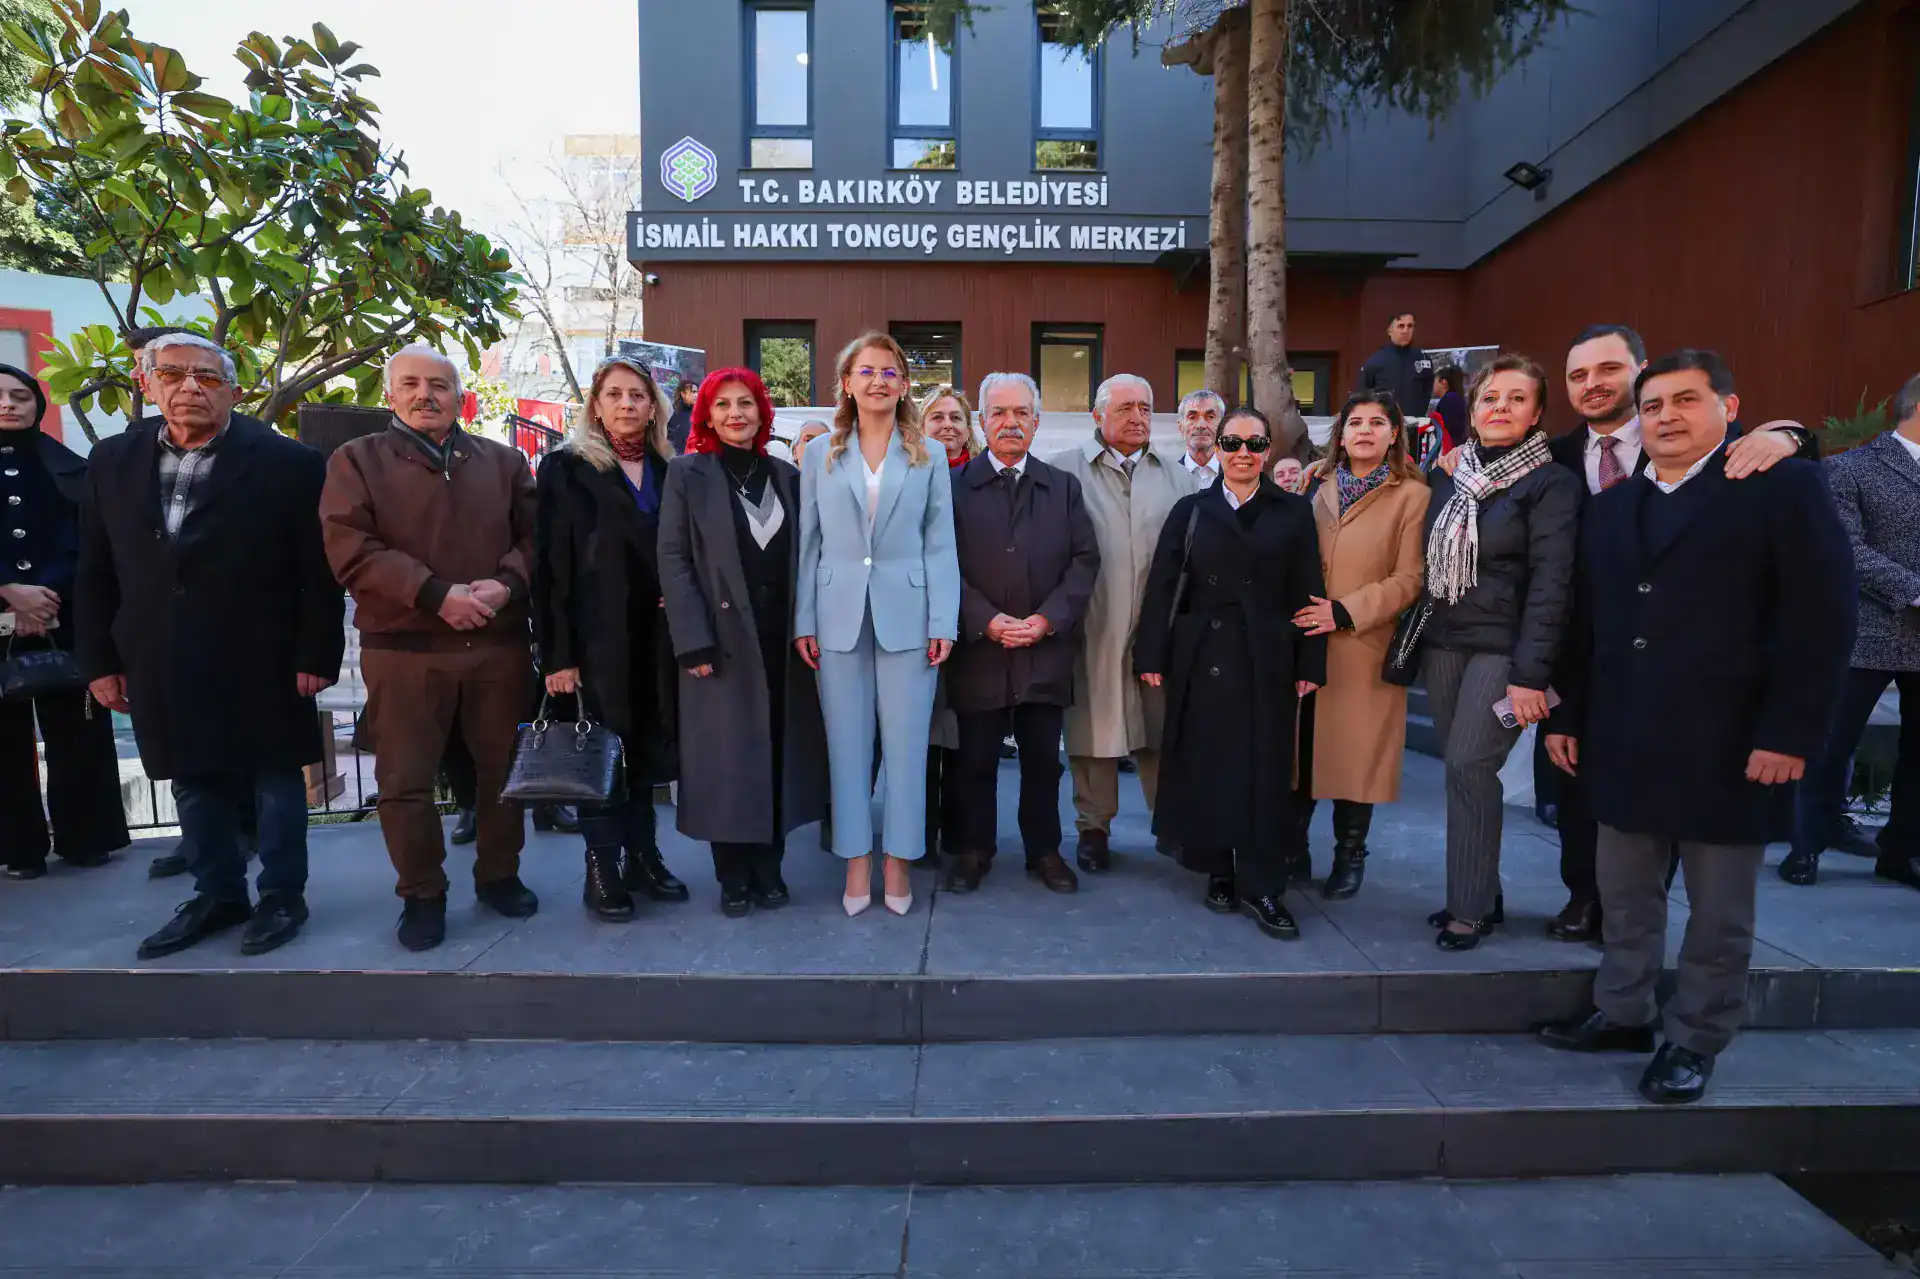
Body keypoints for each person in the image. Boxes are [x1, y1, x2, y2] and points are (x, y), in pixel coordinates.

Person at [1538, 350, 1854, 1105]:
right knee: (1625, 891)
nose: (1667, 417)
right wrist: (1571, 715)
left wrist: (1790, 734)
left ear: (1729, 406)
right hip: (1622, 735)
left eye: (1686, 400)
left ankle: (1696, 1036)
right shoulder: (1612, 506)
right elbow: (1589, 624)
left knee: (1717, 911)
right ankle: (1622, 1010)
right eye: (1653, 405)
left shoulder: (1782, 487)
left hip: (1733, 742)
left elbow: (1822, 620)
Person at [1543, 324, 1814, 941]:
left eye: (1608, 370)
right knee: (1599, 835)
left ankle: (1688, 1022)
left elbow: (1817, 616)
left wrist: (1793, 435)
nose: (1593, 384)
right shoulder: (1558, 459)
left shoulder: (1752, 469)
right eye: (1578, 375)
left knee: (1712, 904)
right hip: (1609, 696)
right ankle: (1591, 914)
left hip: (1718, 714)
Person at [77, 334, 343, 958]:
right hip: (158, 648)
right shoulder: (112, 460)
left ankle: (281, 896)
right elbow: (95, 567)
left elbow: (318, 569)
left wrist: (316, 652)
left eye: (208, 377)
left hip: (263, 649)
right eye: (172, 374)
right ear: (148, 384)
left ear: (233, 390)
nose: (190, 387)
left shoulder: (290, 463)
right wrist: (98, 659)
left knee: (275, 779)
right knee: (192, 779)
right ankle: (217, 894)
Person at [320, 344, 540, 952]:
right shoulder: (355, 461)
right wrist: (433, 594)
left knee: (503, 772)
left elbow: (536, 538)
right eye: (411, 384)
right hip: (405, 647)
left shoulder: (503, 463)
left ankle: (500, 875)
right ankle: (422, 893)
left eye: (439, 385)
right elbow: (351, 548)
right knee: (406, 781)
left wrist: (508, 583)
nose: (426, 395)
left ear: (460, 396)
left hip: (496, 643)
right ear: (389, 393)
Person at [1136, 406, 1326, 937]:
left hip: (1268, 657)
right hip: (1202, 658)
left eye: (1255, 443)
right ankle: (1218, 868)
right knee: (1207, 767)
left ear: (1268, 451)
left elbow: (1309, 589)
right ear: (1216, 448)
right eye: (1233, 441)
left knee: (1264, 772)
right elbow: (1163, 585)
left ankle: (1263, 884)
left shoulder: (1291, 511)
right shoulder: (1189, 510)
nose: (1244, 452)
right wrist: (1151, 653)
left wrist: (1312, 662)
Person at [1419, 353, 1581, 951]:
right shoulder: (1451, 475)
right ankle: (1478, 889)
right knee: (1463, 776)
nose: (1501, 408)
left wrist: (1531, 673)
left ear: (1538, 413)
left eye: (1517, 398)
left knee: (1469, 764)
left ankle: (1470, 909)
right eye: (1490, 398)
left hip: (1505, 652)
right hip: (1444, 644)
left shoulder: (1551, 483)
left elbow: (1552, 583)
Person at [796, 332, 959, 917]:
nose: (879, 382)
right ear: (846, 383)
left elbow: (940, 544)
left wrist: (945, 618)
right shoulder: (820, 454)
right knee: (845, 746)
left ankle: (899, 862)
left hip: (910, 615)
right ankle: (856, 862)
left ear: (904, 384)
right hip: (835, 615)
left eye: (890, 373)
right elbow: (808, 544)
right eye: (867, 372)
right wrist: (802, 620)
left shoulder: (928, 454)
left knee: (908, 748)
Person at [659, 368, 829, 914]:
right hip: (721, 642)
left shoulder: (787, 475)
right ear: (706, 414)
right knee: (727, 762)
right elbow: (674, 559)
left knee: (777, 754)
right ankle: (732, 875)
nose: (736, 414)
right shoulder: (688, 474)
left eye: (746, 404)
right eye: (723, 404)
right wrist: (692, 640)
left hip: (782, 643)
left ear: (762, 412)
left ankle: (769, 868)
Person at [533, 354, 689, 921]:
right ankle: (602, 869)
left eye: (638, 396)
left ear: (654, 408)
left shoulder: (670, 471)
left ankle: (644, 858)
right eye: (615, 395)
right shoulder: (566, 469)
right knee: (602, 755)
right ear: (596, 406)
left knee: (646, 753)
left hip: (657, 642)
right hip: (596, 644)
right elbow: (550, 568)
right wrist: (559, 654)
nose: (627, 404)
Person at [945, 372, 1099, 894]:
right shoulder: (952, 488)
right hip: (979, 650)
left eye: (1021, 414)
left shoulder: (1063, 488)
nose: (1010, 423)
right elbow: (940, 564)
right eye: (999, 414)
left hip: (1044, 649)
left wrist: (1047, 619)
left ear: (1037, 422)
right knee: (975, 761)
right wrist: (983, 618)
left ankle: (1045, 850)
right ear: (981, 422)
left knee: (1041, 761)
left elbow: (1084, 561)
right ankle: (972, 849)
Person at [1051, 375, 1196, 871]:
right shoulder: (1065, 472)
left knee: (1160, 726)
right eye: (1126, 407)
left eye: (1145, 407)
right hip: (1094, 623)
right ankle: (1093, 830)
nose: (1137, 416)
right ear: (1097, 416)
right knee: (1092, 731)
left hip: (1161, 628)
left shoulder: (1178, 477)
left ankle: (1170, 824)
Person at [1783, 370, 1920, 891]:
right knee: (1829, 746)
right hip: (1863, 631)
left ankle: (1903, 853)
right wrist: (1914, 590)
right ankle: (1806, 847)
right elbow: (1846, 549)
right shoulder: (1849, 469)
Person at [1290, 392, 1427, 900]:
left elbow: (1412, 576)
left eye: (1377, 423)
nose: (1365, 430)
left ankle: (1350, 854)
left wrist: (1345, 611)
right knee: (1298, 749)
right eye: (1355, 422)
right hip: (1303, 637)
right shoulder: (1313, 485)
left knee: (1356, 758)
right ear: (1341, 434)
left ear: (1394, 434)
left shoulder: (1413, 495)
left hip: (1363, 641)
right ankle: (1293, 847)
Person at [0, 363, 130, 879]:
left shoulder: (68, 466)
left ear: (38, 405)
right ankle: (18, 849)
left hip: (65, 614)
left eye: (20, 396)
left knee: (77, 731)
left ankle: (86, 838)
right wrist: (8, 590)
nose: (9, 404)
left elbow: (88, 538)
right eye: (0, 397)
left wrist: (45, 597)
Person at [917, 385, 980, 862]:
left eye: (957, 418)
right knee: (921, 738)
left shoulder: (982, 479)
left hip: (973, 626)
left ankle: (961, 833)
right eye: (936, 418)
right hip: (921, 624)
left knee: (962, 735)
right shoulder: (912, 474)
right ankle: (921, 832)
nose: (947, 427)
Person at [1354, 311, 1435, 418]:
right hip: (1384, 425)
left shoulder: (1422, 359)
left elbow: (1427, 390)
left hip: (1414, 425)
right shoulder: (1376, 361)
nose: (1406, 330)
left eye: (1410, 326)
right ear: (1390, 330)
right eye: (1401, 326)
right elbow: (1361, 395)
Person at [1176, 389, 1224, 488]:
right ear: (1181, 427)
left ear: (1223, 427)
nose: (1201, 425)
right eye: (1192, 417)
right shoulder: (1168, 477)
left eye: (1210, 417)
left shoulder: (1235, 474)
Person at [1424, 364, 1467, 466]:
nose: (1432, 385)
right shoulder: (1455, 398)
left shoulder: (1450, 400)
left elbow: (1446, 427)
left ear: (1443, 383)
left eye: (1434, 381)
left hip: (1452, 450)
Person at [666, 378, 698, 454]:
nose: (696, 395)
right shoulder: (674, 414)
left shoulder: (696, 412)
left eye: (697, 392)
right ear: (683, 394)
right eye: (693, 392)